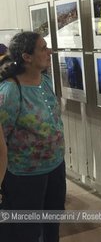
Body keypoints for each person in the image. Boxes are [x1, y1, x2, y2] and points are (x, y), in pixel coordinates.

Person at [0, 31, 65, 242]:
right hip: (24, 175)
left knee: (52, 223)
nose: (50, 51)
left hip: (55, 166)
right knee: (26, 231)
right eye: (43, 47)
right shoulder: (10, 90)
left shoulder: (44, 81)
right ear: (26, 57)